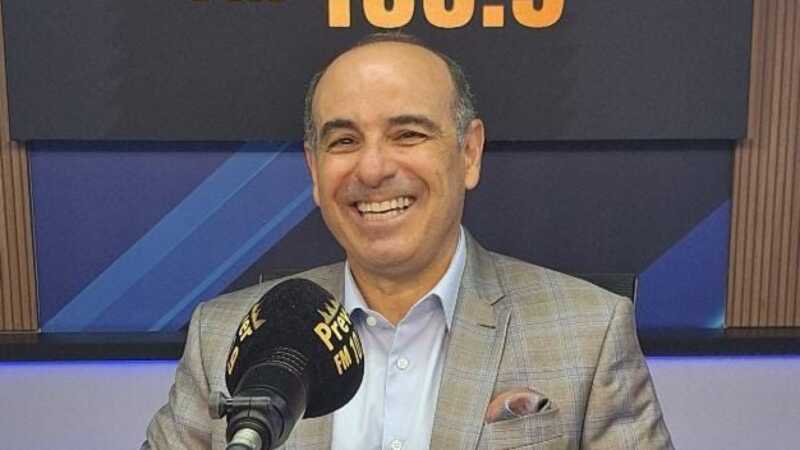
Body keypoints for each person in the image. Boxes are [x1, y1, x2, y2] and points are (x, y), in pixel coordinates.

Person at [143, 33, 673, 450]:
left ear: (469, 153)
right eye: (344, 140)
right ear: (314, 169)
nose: (373, 168)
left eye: (408, 134)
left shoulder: (589, 333)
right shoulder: (223, 337)